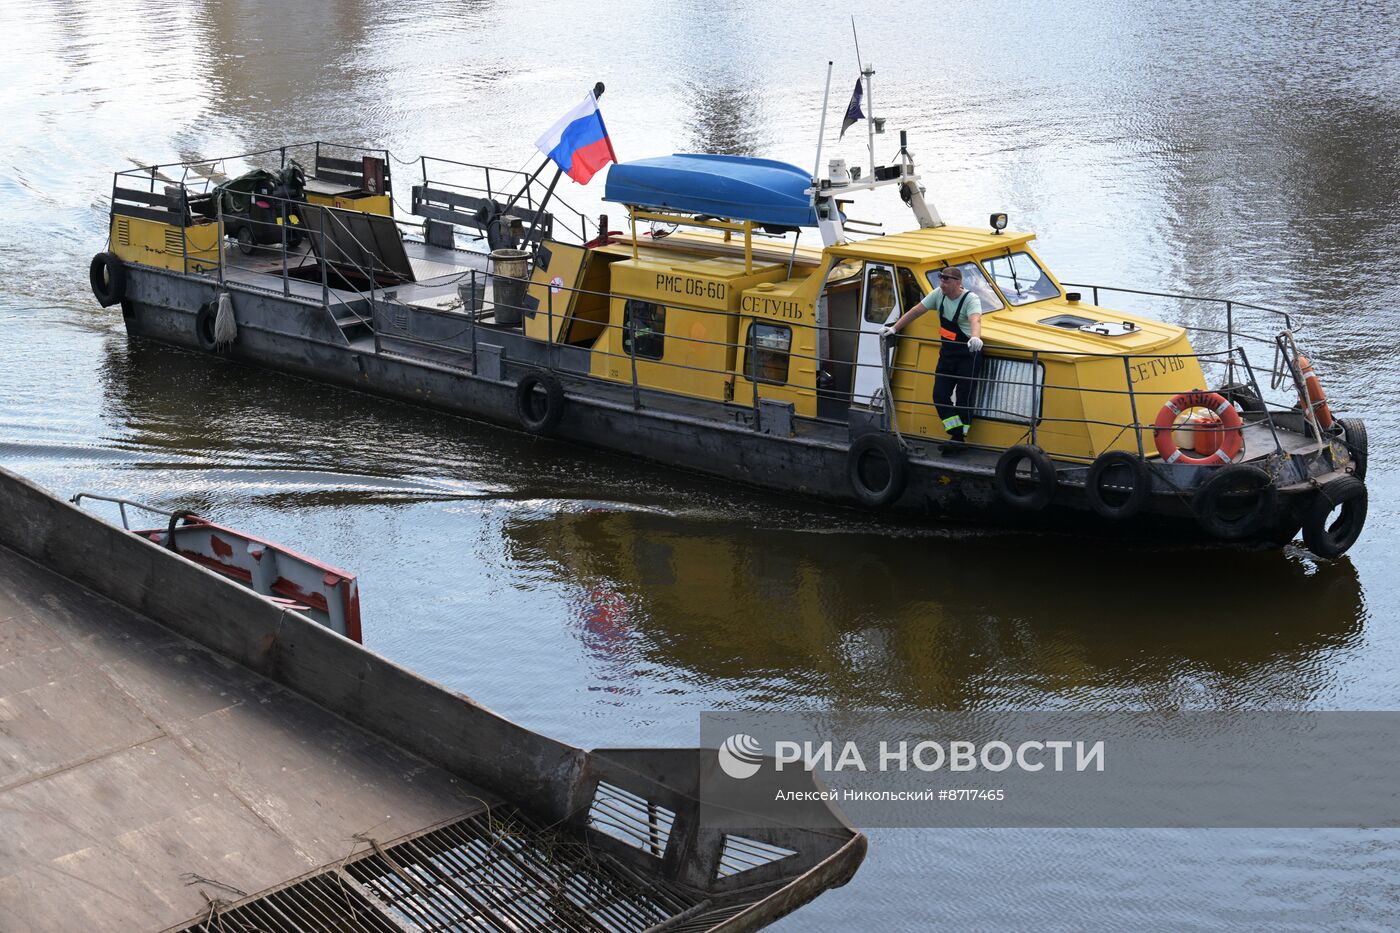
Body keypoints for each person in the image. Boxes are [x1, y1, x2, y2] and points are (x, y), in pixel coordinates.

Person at [880, 266, 984, 449]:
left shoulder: (970, 299)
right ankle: (956, 433)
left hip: (969, 354)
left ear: (958, 283)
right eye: (941, 279)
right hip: (948, 354)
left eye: (946, 280)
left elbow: (975, 319)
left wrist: (975, 337)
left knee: (963, 397)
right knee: (939, 394)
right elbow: (916, 311)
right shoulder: (938, 295)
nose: (942, 283)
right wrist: (895, 328)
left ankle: (960, 438)